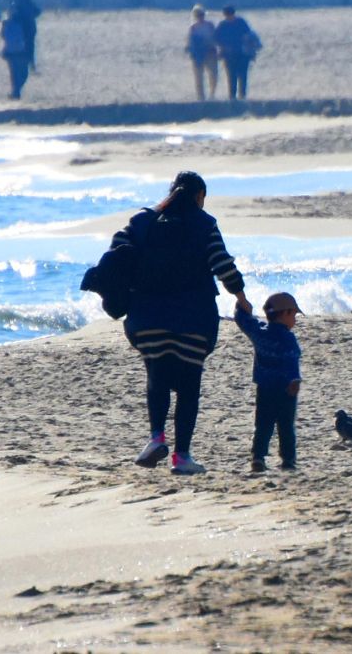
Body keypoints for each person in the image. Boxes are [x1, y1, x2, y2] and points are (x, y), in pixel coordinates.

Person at [105, 171, 249, 476]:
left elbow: (117, 253)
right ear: (199, 197)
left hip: (147, 317)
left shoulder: (142, 221)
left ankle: (155, 437)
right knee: (188, 385)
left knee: (157, 373)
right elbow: (222, 264)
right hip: (194, 318)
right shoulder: (205, 224)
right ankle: (181, 457)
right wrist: (241, 296)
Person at [235, 291, 303, 472]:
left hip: (264, 389)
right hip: (285, 390)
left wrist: (240, 307)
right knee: (286, 425)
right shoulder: (288, 338)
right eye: (294, 315)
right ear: (286, 313)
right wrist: (294, 380)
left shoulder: (260, 332)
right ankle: (288, 459)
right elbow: (292, 359)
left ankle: (258, 457)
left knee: (263, 425)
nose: (295, 319)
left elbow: (245, 322)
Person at [213, 5, 260, 101]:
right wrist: (223, 46)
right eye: (227, 15)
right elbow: (216, 38)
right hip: (229, 55)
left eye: (230, 15)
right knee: (231, 76)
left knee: (243, 75)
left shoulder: (241, 22)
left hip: (242, 54)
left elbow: (249, 35)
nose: (229, 17)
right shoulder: (223, 25)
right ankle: (232, 96)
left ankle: (242, 95)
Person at [186, 4, 218, 101]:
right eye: (198, 15)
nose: (200, 16)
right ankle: (201, 97)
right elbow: (190, 42)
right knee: (198, 77)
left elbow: (215, 38)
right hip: (198, 55)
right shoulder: (193, 28)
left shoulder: (210, 25)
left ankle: (212, 94)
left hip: (210, 52)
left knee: (213, 75)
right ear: (195, 16)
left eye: (202, 14)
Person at [0, 12, 31, 100]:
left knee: (17, 73)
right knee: (20, 73)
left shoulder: (9, 24)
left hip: (14, 51)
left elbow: (3, 36)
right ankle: (16, 91)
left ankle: (16, 91)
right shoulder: (14, 24)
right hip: (16, 51)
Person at [11, 0, 42, 72]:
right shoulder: (29, 4)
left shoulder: (18, 5)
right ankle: (31, 65)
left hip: (23, 30)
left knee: (23, 49)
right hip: (31, 29)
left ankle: (24, 66)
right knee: (30, 48)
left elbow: (15, 17)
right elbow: (38, 11)